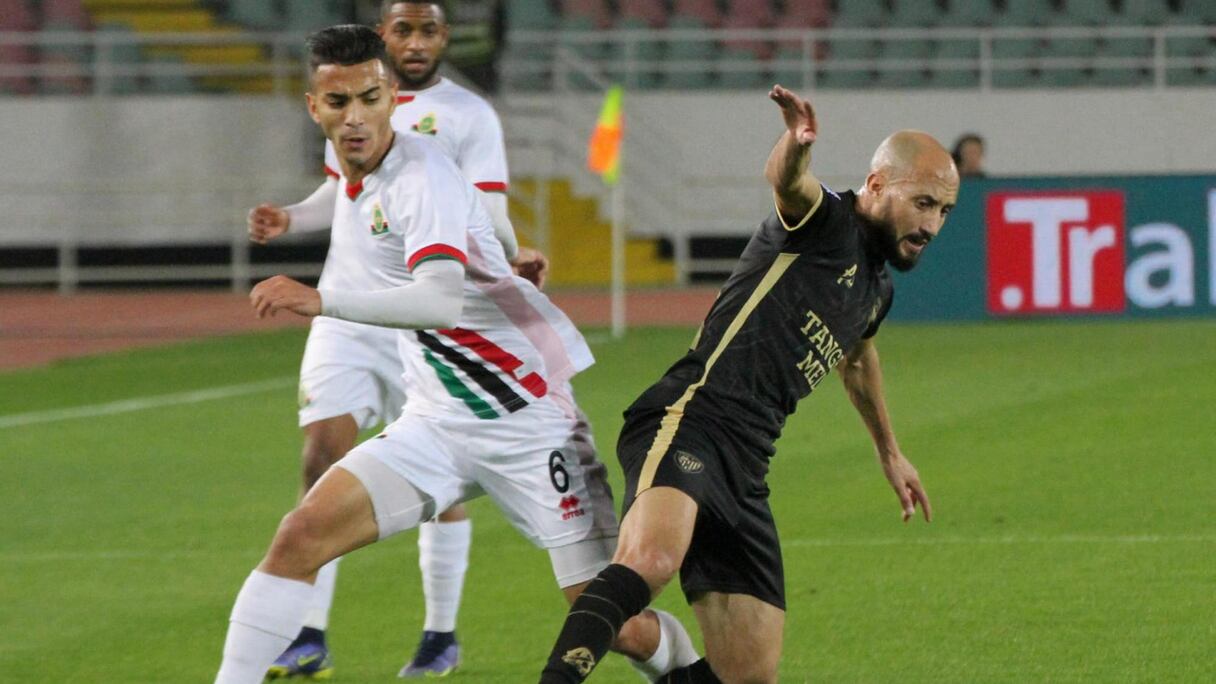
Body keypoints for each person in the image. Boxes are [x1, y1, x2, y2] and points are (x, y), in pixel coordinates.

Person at [216, 25, 699, 684]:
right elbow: (479, 225)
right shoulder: (357, 175)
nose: (354, 117)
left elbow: (440, 300)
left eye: (369, 98)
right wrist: (509, 252)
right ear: (314, 107)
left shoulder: (421, 176)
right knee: (300, 536)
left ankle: (685, 668)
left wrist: (320, 300)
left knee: (611, 621)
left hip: (527, 421)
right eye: (338, 102)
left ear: (393, 98)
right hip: (437, 424)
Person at [538, 84, 955, 683]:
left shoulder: (877, 289)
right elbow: (788, 182)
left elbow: (859, 360)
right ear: (877, 184)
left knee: (749, 674)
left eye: (944, 211)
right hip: (691, 418)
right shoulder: (825, 222)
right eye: (923, 203)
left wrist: (890, 452)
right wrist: (796, 144)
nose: (932, 224)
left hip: (748, 464)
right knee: (651, 560)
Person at [245, 2, 545, 677]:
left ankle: (439, 634)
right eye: (403, 29)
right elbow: (341, 193)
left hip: (424, 317)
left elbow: (485, 205)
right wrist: (290, 218)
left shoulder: (468, 116)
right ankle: (308, 633)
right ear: (384, 36)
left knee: (441, 477)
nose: (415, 42)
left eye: (427, 29)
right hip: (347, 315)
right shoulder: (347, 98)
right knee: (321, 456)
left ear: (445, 37)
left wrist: (508, 253)